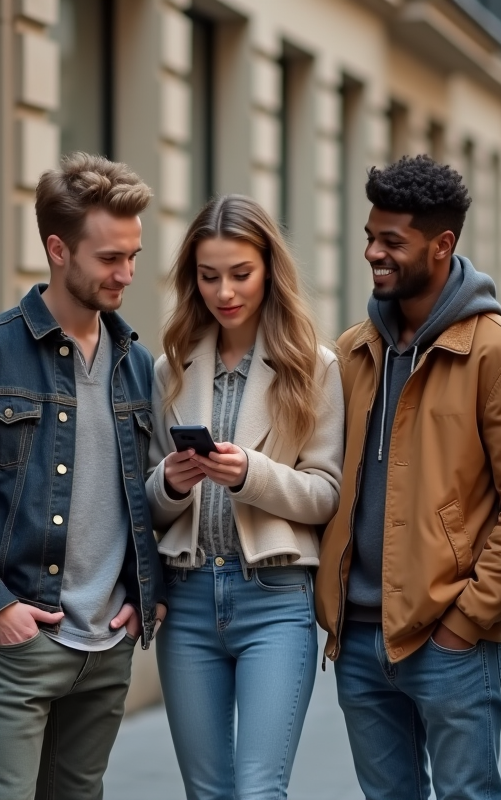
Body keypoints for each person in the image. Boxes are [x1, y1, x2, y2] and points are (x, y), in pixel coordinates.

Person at [313, 155, 501, 800]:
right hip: (358, 637)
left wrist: (468, 620)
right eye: (371, 236)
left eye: (392, 241)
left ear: (442, 244)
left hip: (448, 640)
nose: (373, 252)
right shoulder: (351, 351)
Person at [0, 153, 167, 800]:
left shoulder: (137, 365)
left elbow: (145, 497)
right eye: (110, 258)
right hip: (17, 642)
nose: (127, 273)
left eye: (133, 255)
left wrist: (147, 594)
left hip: (107, 644)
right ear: (58, 250)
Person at [146, 195, 343, 799]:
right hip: (188, 600)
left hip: (276, 600)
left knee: (259, 791)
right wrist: (174, 482)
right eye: (209, 276)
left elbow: (324, 496)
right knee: (207, 793)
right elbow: (149, 503)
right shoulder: (170, 368)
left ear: (269, 273)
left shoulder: (315, 367)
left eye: (240, 274)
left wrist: (249, 473)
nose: (224, 291)